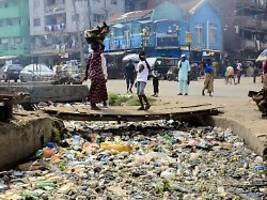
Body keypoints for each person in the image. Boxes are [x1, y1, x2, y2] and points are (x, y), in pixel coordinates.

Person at [84, 43, 108, 110]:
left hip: (93, 75)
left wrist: (86, 75)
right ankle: (93, 104)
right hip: (98, 75)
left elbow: (87, 66)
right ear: (98, 48)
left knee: (94, 88)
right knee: (97, 89)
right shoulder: (98, 54)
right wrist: (99, 41)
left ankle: (102, 102)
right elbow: (103, 47)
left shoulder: (91, 55)